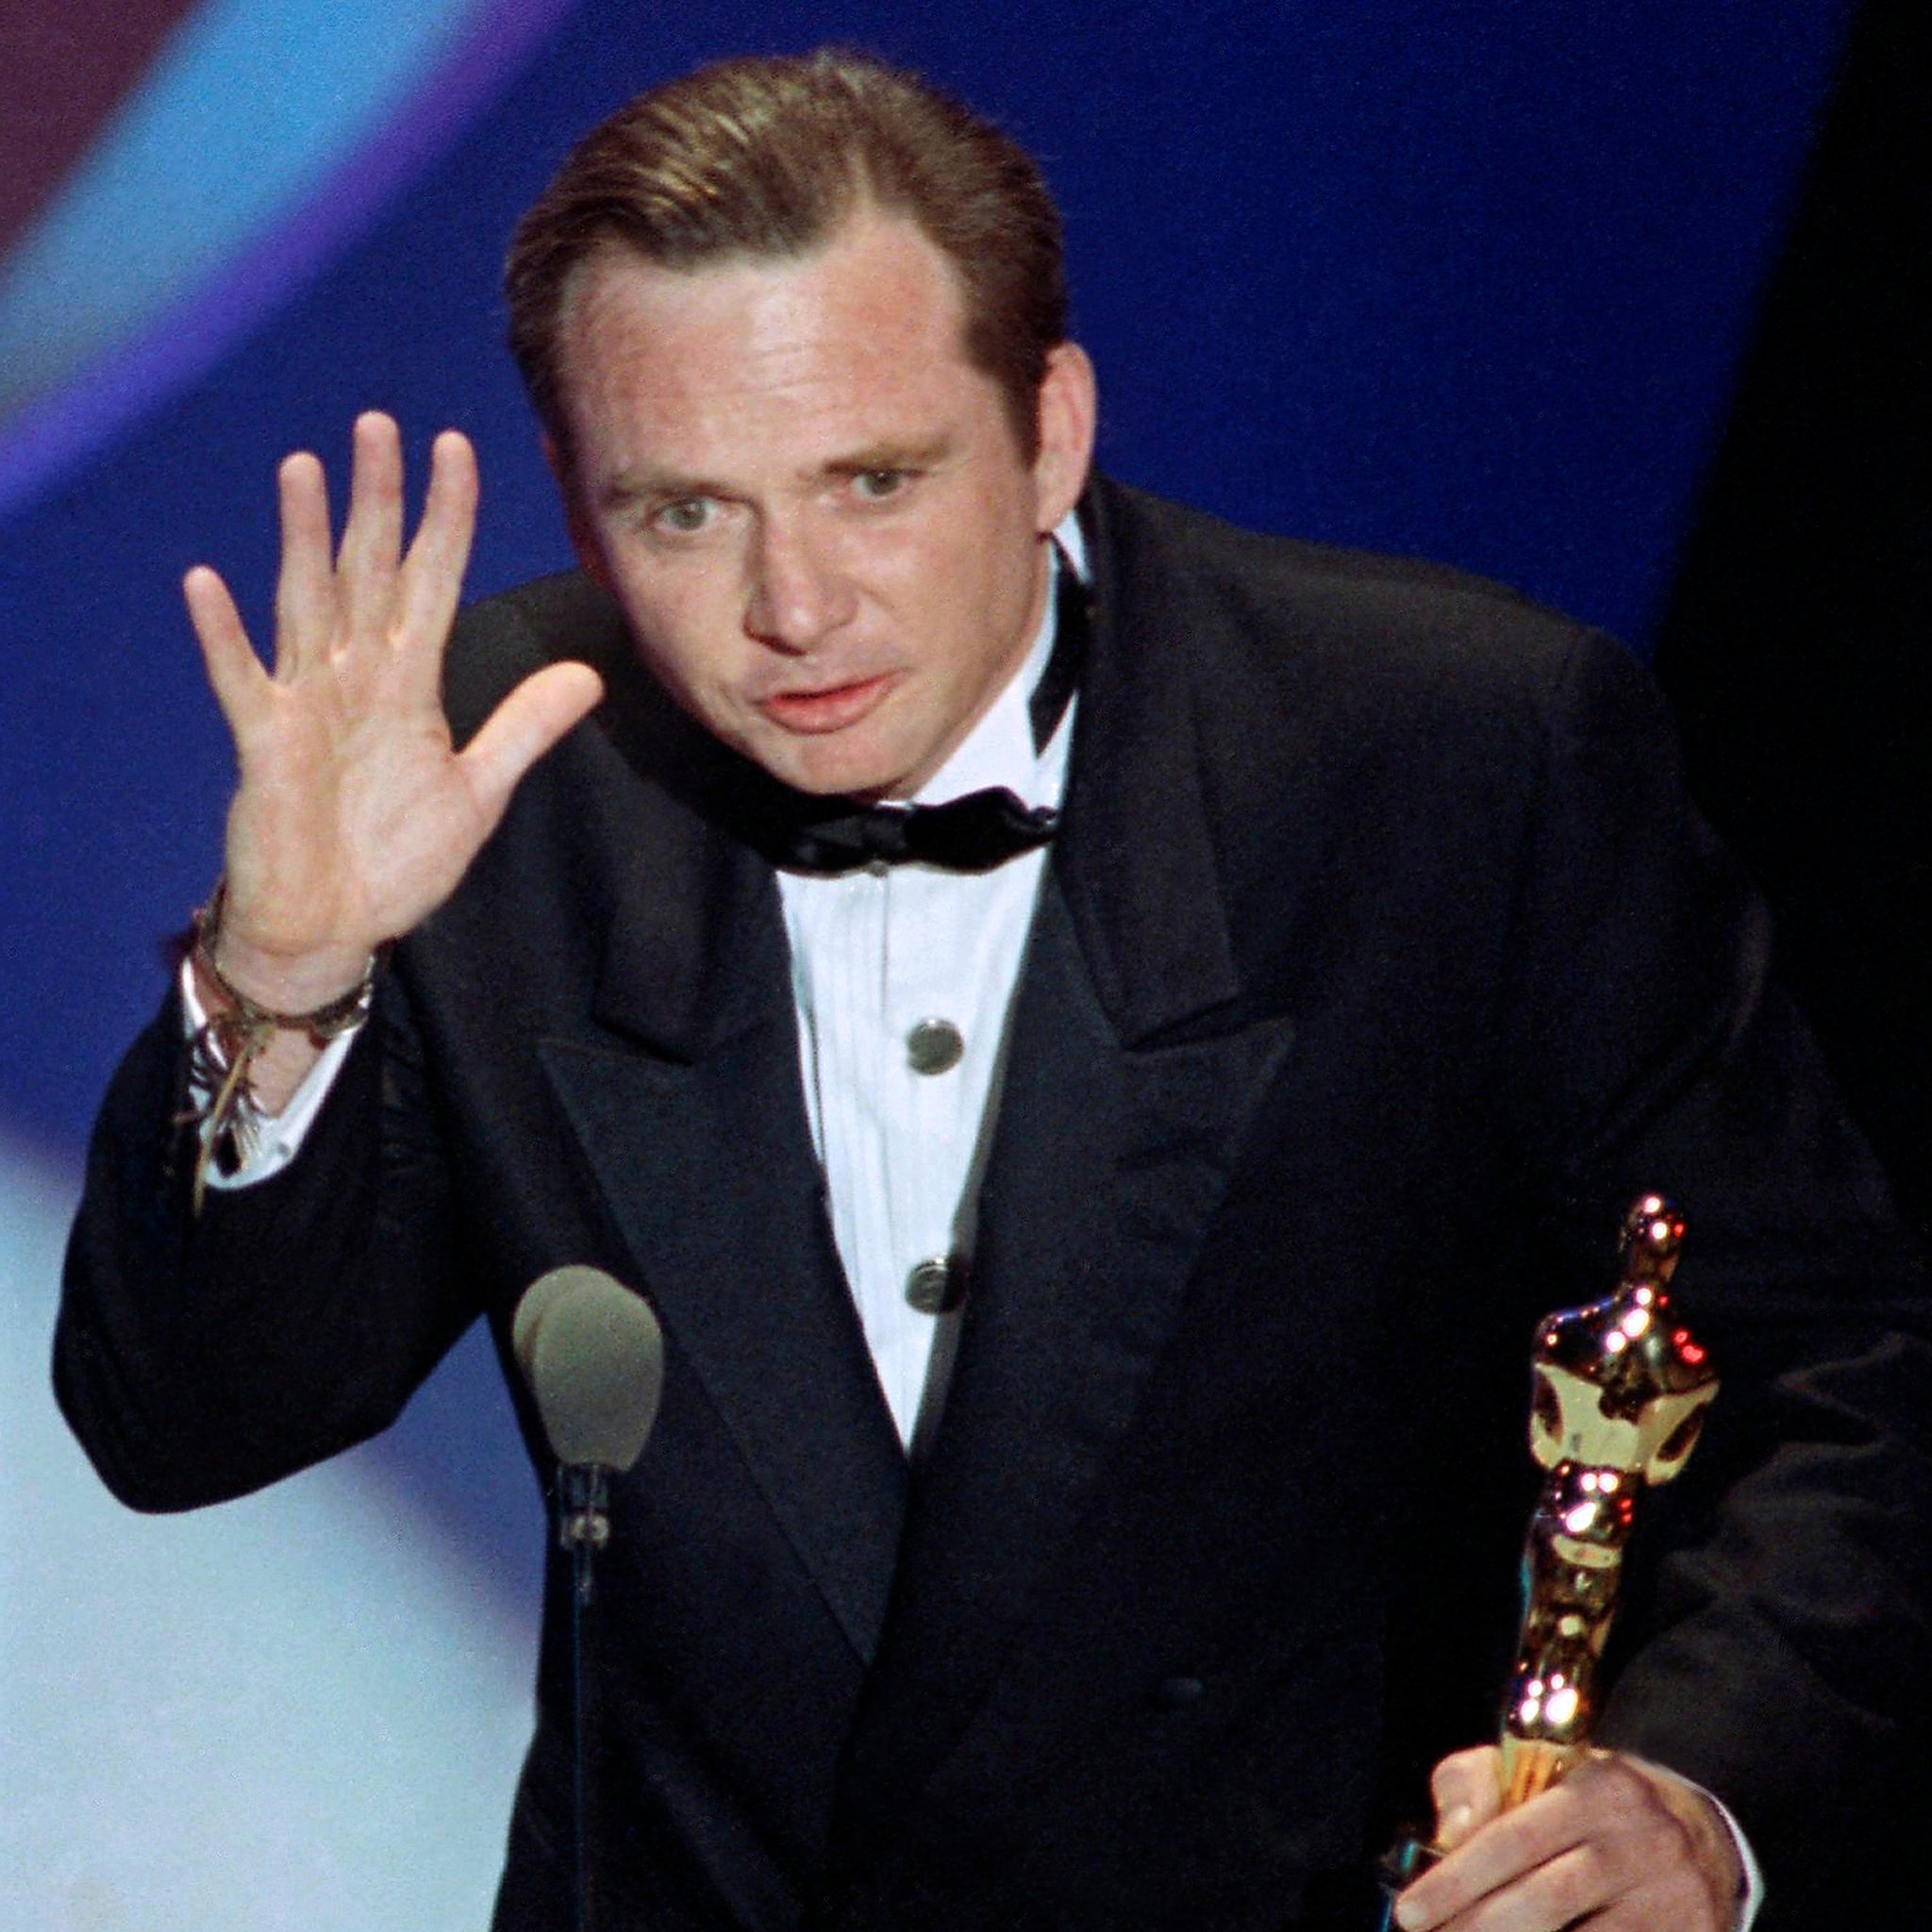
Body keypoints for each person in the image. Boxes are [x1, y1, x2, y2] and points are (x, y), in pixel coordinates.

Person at [55, 48, 1929, 1932]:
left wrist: (1701, 1792)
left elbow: (1823, 1360)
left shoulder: (1447, 754)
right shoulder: (485, 769)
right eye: (685, 512)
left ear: (1050, 429)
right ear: (570, 484)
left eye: (873, 481)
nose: (794, 606)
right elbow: (190, 1423)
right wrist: (283, 972)